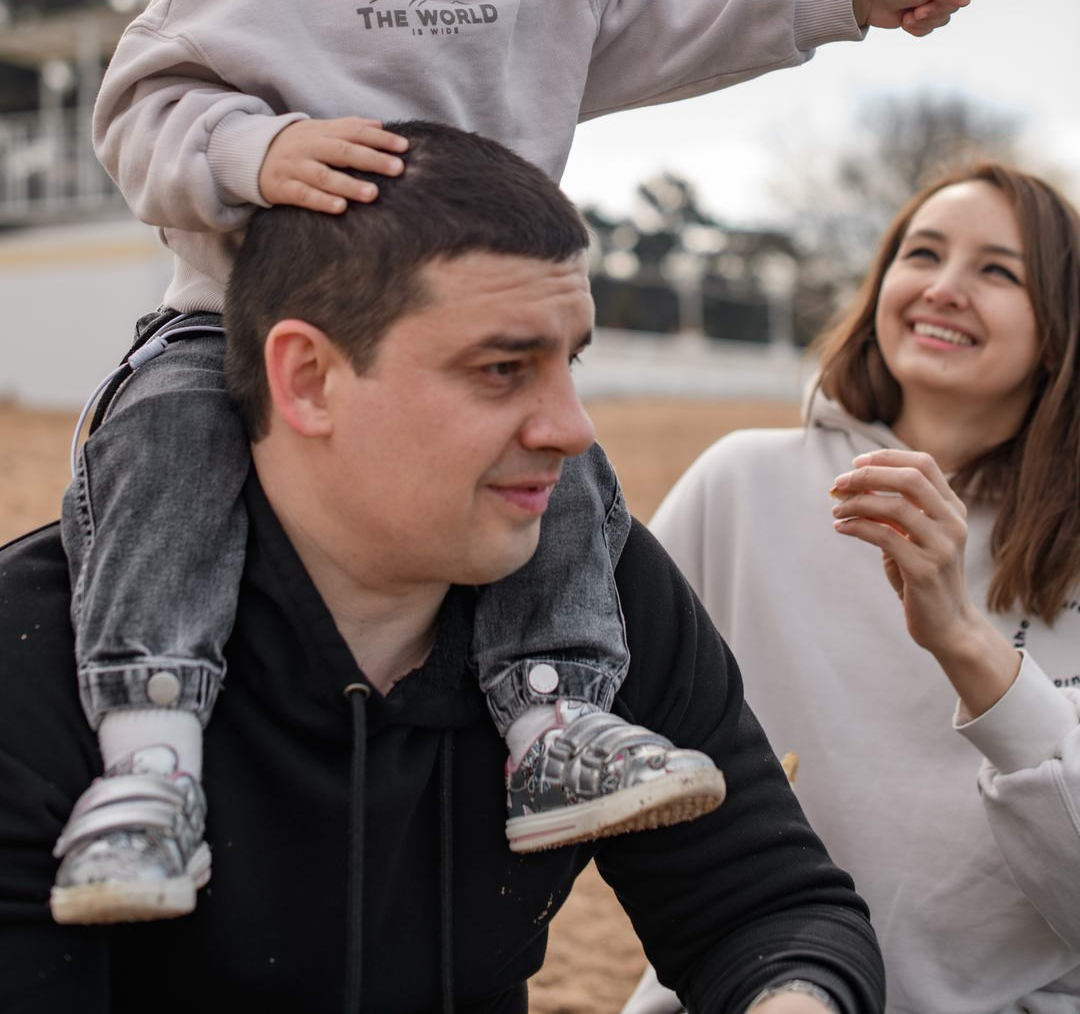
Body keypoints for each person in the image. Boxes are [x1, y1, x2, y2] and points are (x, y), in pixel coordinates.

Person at [60, 0, 1007, 924]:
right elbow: (141, 110)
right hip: (238, 325)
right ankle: (147, 761)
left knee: (558, 468)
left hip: (475, 352)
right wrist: (258, 147)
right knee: (157, 441)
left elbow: (697, 13)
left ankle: (558, 716)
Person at [0, 122, 885, 1014]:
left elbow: (764, 906)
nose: (573, 429)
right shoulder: (33, 650)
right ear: (307, 378)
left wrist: (792, 998)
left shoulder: (596, 594)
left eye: (569, 361)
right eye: (504, 368)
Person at [622, 162, 1080, 1014]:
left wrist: (965, 640)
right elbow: (593, 712)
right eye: (922, 253)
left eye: (997, 270)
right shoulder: (743, 481)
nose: (943, 288)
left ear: (1059, 328)